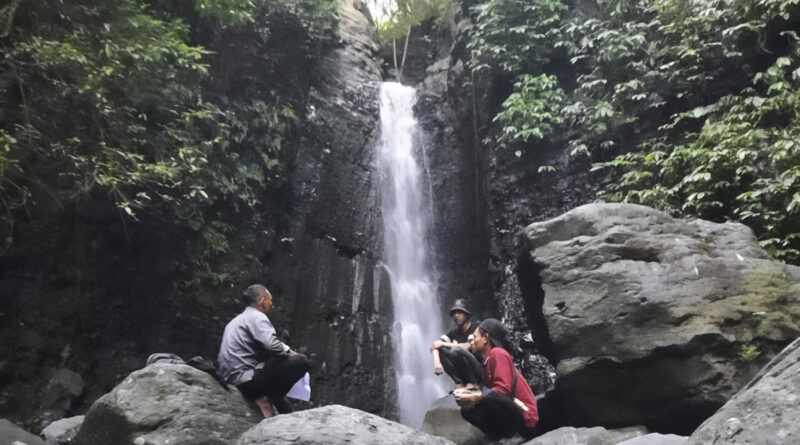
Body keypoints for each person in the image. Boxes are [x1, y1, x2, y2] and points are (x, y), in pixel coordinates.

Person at [218, 284, 311, 418]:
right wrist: (290, 352)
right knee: (301, 361)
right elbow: (272, 346)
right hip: (246, 379)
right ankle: (267, 399)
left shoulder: (235, 321)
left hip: (231, 378)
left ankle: (273, 401)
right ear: (262, 301)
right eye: (270, 300)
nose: (271, 304)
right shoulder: (257, 317)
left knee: (284, 406)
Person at [454, 318, 538, 443]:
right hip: (512, 410)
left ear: (486, 338)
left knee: (489, 396)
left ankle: (514, 435)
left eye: (475, 336)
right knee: (467, 410)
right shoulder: (488, 360)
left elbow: (502, 390)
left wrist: (474, 396)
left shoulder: (498, 354)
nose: (472, 341)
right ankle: (500, 435)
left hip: (526, 419)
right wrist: (468, 394)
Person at [429, 299, 483, 387]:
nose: (456, 316)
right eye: (454, 313)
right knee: (442, 351)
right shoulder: (454, 331)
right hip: (463, 370)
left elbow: (468, 346)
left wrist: (444, 344)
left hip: (478, 369)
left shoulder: (475, 327)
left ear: (466, 314)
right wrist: (437, 362)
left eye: (459, 312)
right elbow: (435, 345)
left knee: (456, 350)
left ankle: (472, 383)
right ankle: (459, 383)